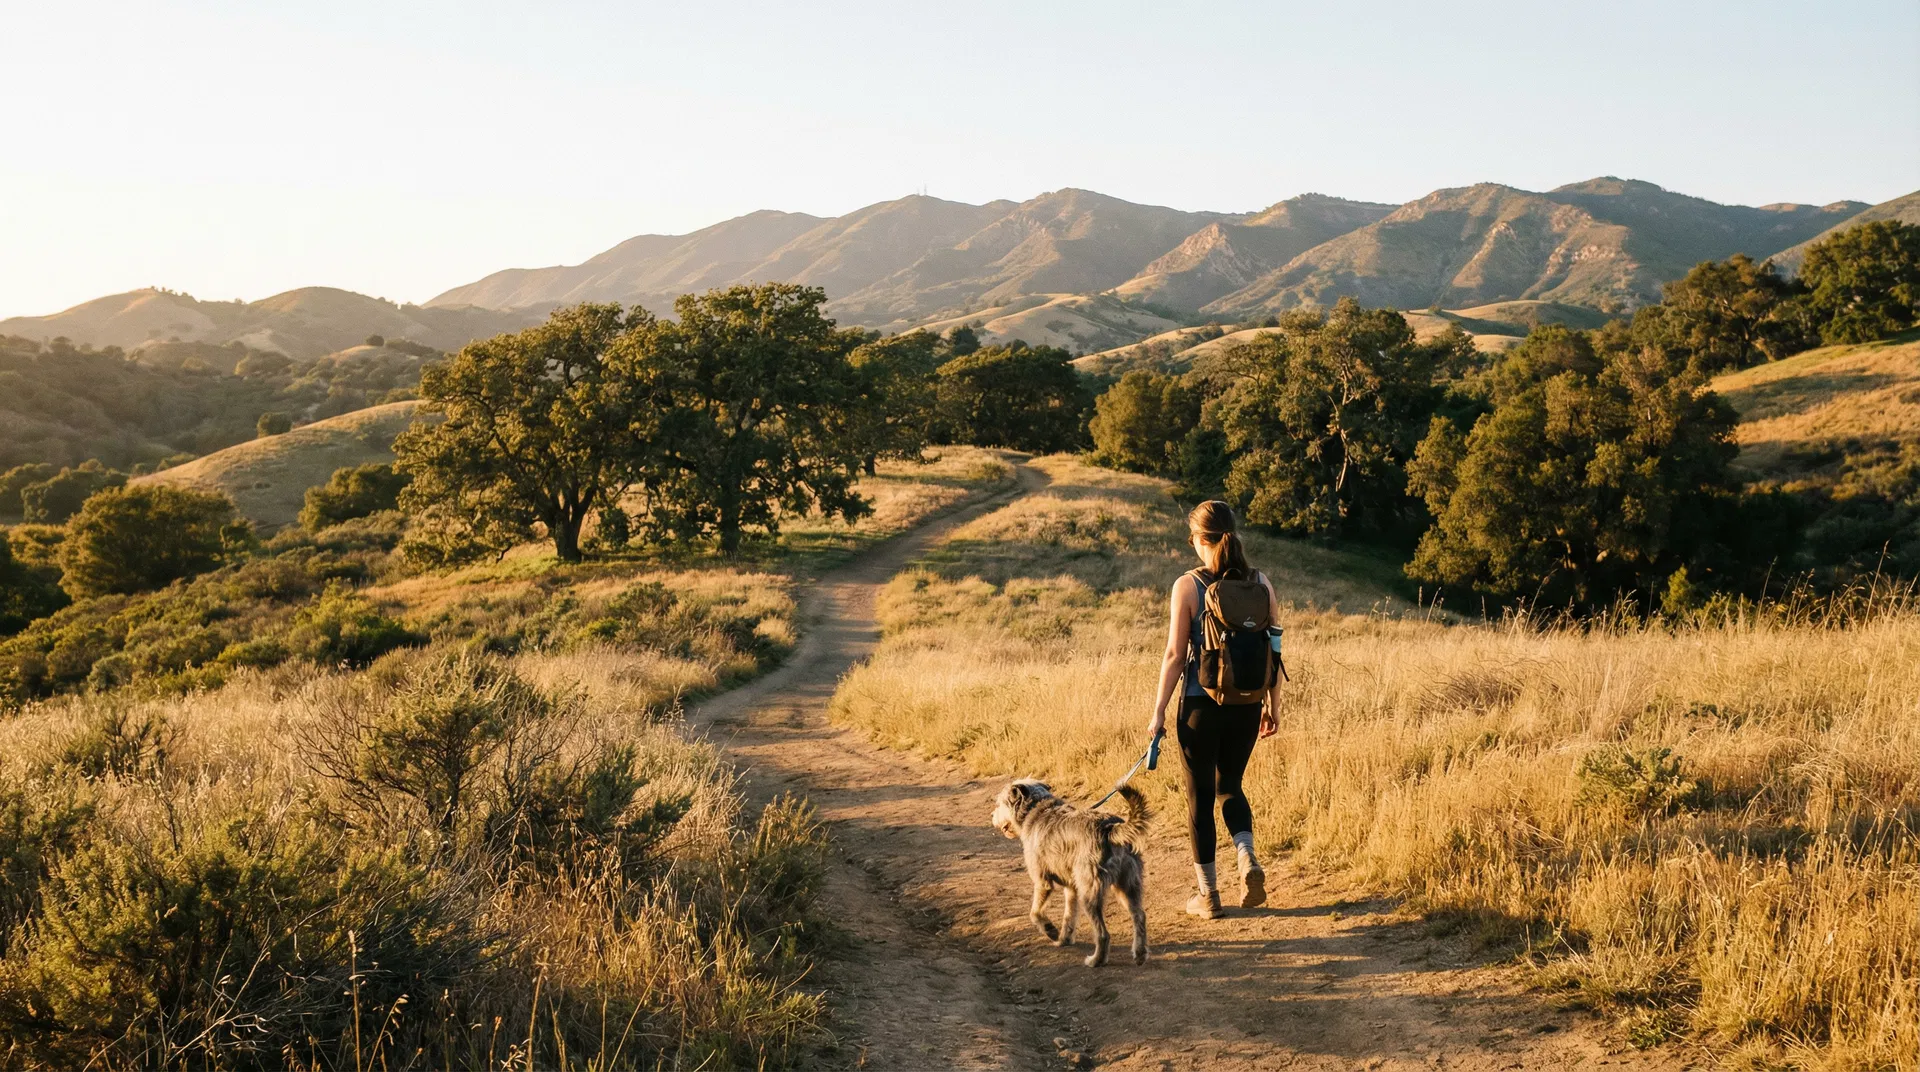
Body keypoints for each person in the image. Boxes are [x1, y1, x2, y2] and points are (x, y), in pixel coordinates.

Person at [1145, 500, 1281, 919]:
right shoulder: (1262, 583)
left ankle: (1208, 896)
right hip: (1247, 704)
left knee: (1199, 798)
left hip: (1199, 707)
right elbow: (1274, 650)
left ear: (1202, 540)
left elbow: (1173, 654)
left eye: (1192, 539)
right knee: (1230, 787)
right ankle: (1247, 858)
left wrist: (1158, 713)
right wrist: (1273, 706)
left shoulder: (1188, 585)